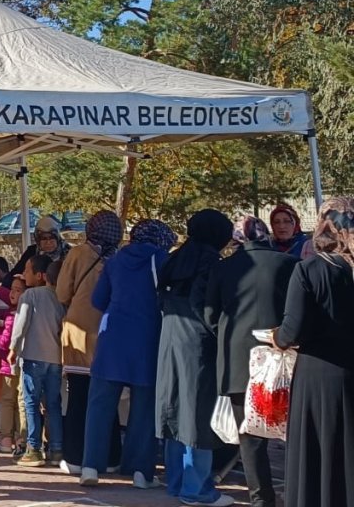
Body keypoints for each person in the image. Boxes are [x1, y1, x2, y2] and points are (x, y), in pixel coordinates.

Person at [204, 215, 296, 507]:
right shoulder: (290, 264)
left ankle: (261, 498)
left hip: (238, 361)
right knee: (293, 431)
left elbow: (210, 315)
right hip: (283, 359)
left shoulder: (222, 268)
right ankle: (297, 492)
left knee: (250, 436)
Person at [80, 218, 176, 490]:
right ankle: (140, 472)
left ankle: (90, 466)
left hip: (112, 340)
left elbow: (98, 300)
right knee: (144, 409)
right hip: (148, 340)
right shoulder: (161, 259)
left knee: (99, 406)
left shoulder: (115, 260)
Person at [270, 196, 354, 507]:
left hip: (317, 374)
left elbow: (291, 331)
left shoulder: (309, 269)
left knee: (316, 453)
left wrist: (275, 337)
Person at [155, 210, 235, 507]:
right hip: (198, 345)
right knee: (198, 416)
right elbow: (209, 307)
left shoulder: (175, 259)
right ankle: (197, 488)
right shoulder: (211, 263)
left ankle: (176, 482)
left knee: (174, 411)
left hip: (170, 338)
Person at [56, 210, 124, 475]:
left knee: (78, 397)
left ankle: (75, 457)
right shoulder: (119, 258)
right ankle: (111, 457)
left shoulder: (78, 254)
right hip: (110, 333)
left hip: (80, 332)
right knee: (107, 398)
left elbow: (62, 292)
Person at [9, 255, 66, 468]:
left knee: (31, 403)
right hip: (55, 358)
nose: (24, 274)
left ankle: (34, 449)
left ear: (41, 275)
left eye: (27, 270)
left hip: (33, 356)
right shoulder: (62, 297)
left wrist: (13, 348)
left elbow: (21, 323)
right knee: (53, 404)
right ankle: (57, 449)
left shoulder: (30, 295)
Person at [0, 276, 26, 455]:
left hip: (8, 364)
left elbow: (4, 342)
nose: (12, 293)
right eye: (12, 289)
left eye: (17, 290)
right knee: (21, 401)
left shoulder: (12, 316)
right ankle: (21, 438)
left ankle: (5, 438)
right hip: (23, 365)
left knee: (7, 401)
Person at [8, 216, 71, 288]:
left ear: (58, 238)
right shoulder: (32, 252)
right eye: (44, 239)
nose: (48, 242)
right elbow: (12, 276)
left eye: (52, 238)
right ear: (38, 240)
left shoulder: (69, 252)